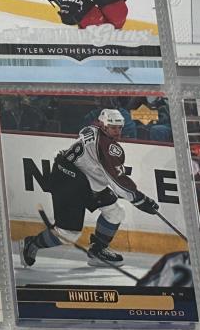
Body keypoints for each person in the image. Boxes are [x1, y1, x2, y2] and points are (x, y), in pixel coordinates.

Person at [20, 108, 160, 269]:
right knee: (68, 234)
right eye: (113, 127)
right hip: (68, 180)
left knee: (115, 212)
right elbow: (118, 183)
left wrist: (136, 198)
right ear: (104, 126)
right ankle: (32, 243)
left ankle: (97, 251)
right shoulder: (107, 147)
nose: (117, 131)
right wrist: (140, 200)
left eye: (119, 127)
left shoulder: (93, 129)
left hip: (86, 177)